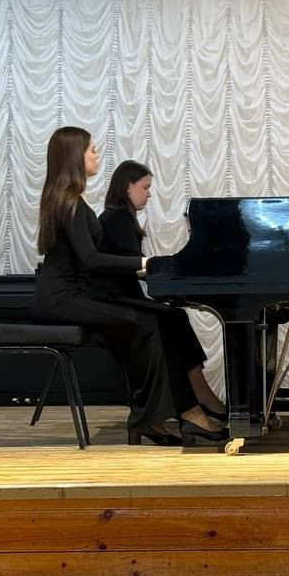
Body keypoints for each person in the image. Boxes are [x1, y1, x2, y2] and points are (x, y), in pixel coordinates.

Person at [31, 127, 227, 447]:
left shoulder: (70, 199)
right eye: (92, 150)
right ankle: (177, 413)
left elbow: (90, 259)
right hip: (61, 299)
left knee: (152, 323)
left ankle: (156, 415)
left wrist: (142, 264)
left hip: (71, 295)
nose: (97, 155)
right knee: (147, 323)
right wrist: (144, 262)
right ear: (74, 156)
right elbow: (91, 260)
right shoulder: (68, 202)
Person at [93, 160, 227, 421]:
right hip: (116, 300)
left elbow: (133, 264)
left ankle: (197, 396)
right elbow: (132, 265)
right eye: (145, 188)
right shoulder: (117, 218)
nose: (149, 194)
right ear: (128, 187)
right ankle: (197, 397)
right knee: (174, 318)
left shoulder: (118, 217)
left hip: (120, 296)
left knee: (175, 317)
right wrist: (172, 267)